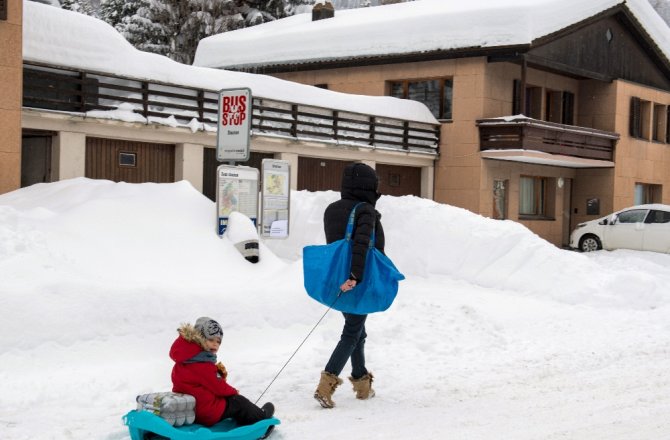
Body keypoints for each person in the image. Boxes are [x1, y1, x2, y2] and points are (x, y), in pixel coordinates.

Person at [314, 162, 385, 409]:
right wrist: (355, 275)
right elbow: (361, 246)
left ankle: (362, 383)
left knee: (357, 330)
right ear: (367, 186)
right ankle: (326, 384)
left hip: (337, 280)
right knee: (352, 332)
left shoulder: (332, 209)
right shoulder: (364, 211)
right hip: (358, 279)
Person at [170, 316, 275, 436]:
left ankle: (243, 416)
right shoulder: (202, 364)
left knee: (229, 402)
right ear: (200, 338)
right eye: (211, 340)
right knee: (238, 402)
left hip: (191, 411)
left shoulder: (183, 361)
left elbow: (200, 383)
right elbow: (219, 387)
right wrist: (234, 391)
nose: (215, 344)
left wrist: (216, 374)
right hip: (208, 412)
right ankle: (261, 420)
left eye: (218, 341)